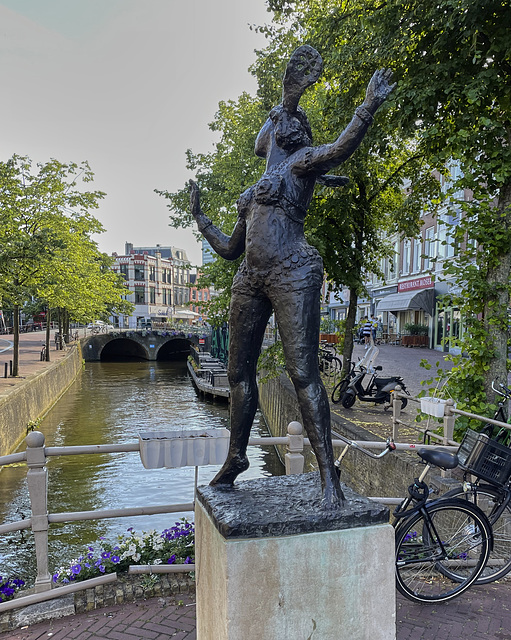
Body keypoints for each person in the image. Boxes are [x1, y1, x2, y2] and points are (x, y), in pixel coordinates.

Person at [189, 45, 395, 508]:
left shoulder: (301, 165)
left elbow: (340, 148)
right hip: (250, 276)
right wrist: (200, 217)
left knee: (303, 374)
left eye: (275, 122)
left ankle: (329, 481)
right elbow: (228, 249)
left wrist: (367, 105)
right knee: (240, 372)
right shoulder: (251, 191)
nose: (269, 125)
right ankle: (237, 458)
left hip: (291, 272)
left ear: (285, 134)